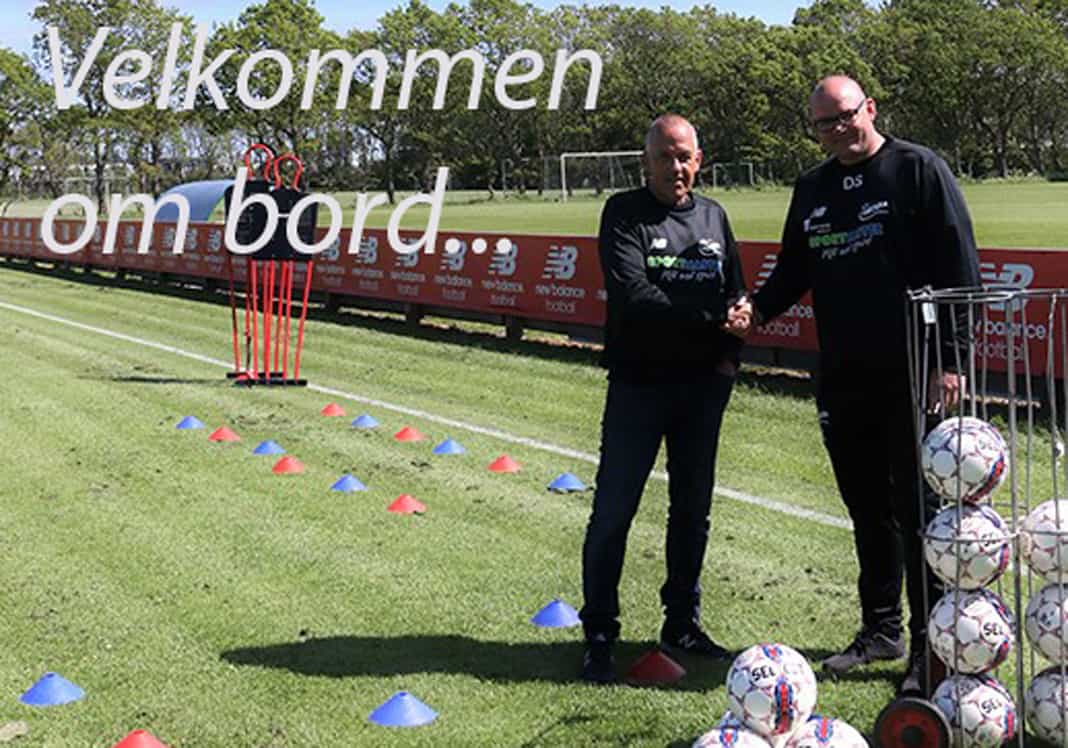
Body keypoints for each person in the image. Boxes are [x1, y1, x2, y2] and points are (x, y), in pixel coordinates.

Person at [725, 75, 979, 696]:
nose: (838, 129)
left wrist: (952, 360)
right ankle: (881, 630)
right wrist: (758, 310)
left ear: (869, 108)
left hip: (914, 371)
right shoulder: (812, 187)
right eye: (824, 123)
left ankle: (930, 645)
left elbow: (960, 266)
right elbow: (794, 268)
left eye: (845, 116)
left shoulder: (918, 170)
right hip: (843, 374)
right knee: (866, 507)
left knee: (919, 510)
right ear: (814, 130)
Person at [579, 113, 748, 684]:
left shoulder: (714, 216)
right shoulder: (623, 213)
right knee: (614, 511)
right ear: (645, 162)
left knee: (692, 512)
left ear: (699, 160)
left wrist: (733, 337)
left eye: (684, 157)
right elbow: (635, 295)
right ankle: (600, 631)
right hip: (639, 387)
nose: (675, 167)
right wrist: (713, 318)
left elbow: (735, 290)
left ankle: (682, 623)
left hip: (702, 391)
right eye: (664, 157)